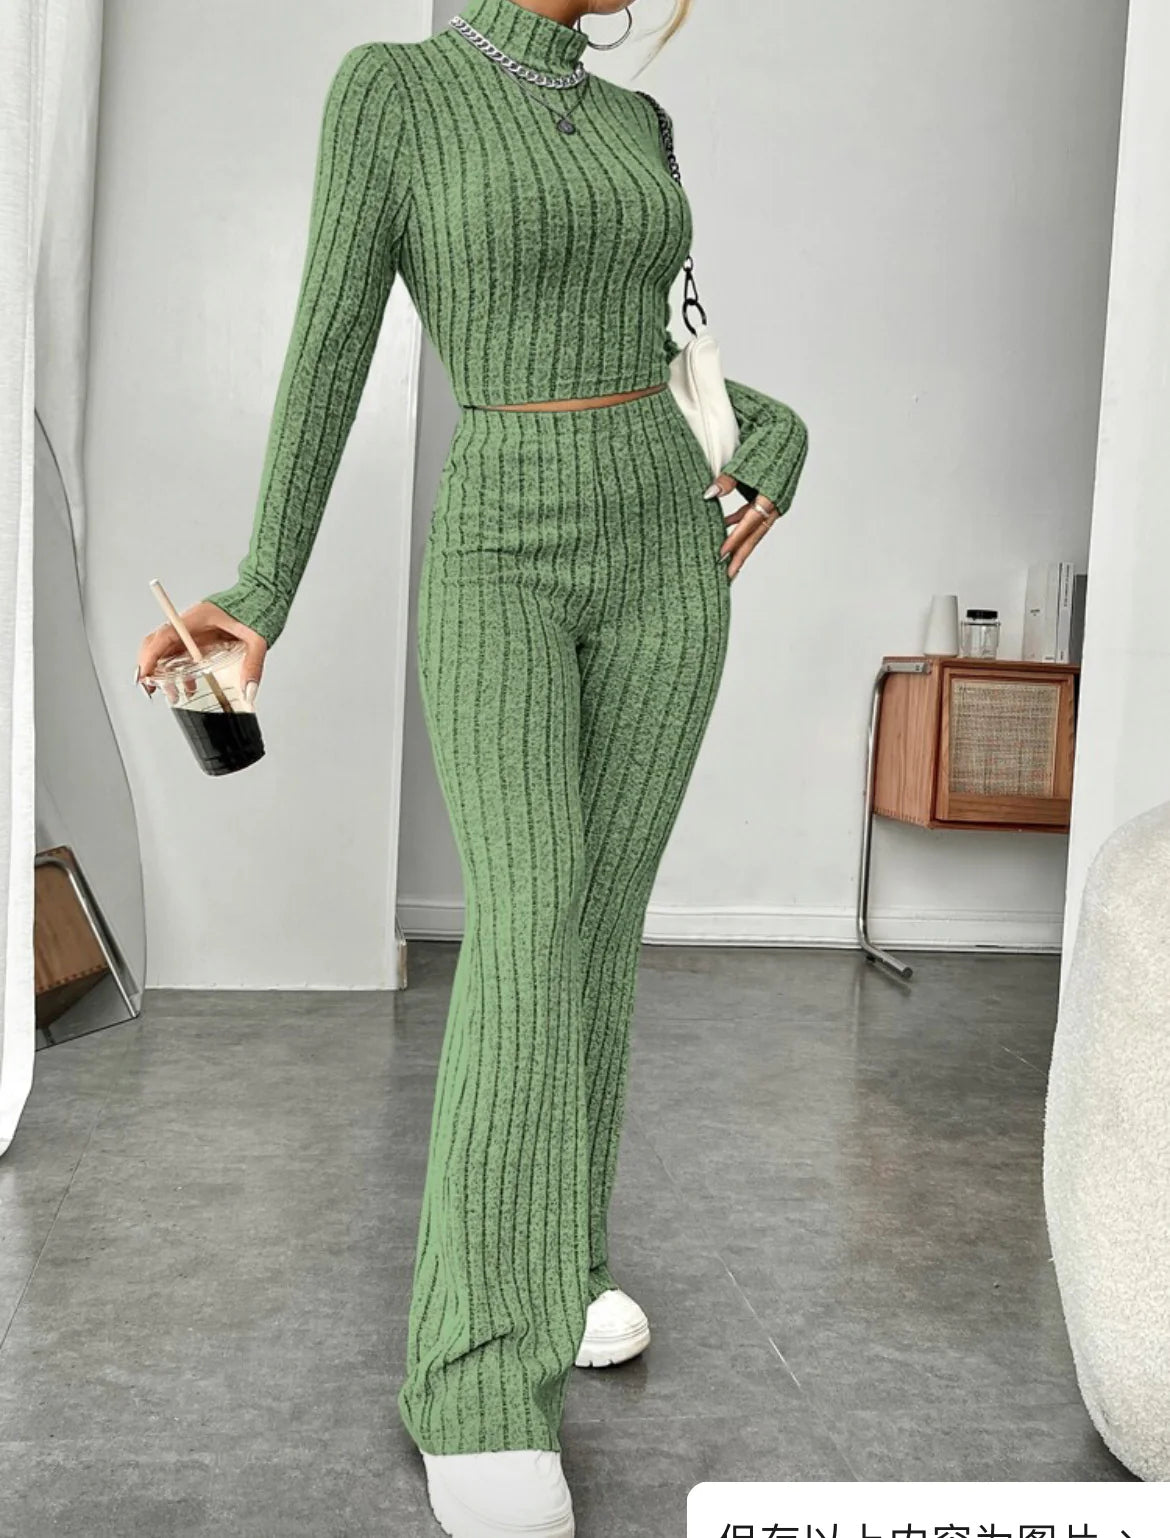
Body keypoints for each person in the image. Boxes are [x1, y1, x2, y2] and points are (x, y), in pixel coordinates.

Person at [135, 2, 808, 1532]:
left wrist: (772, 432)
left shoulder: (636, 122)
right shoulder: (395, 91)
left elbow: (667, 350)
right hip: (502, 547)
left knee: (593, 932)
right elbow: (330, 340)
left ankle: (557, 1269)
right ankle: (478, 1380)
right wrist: (263, 584)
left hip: (664, 560)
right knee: (527, 921)